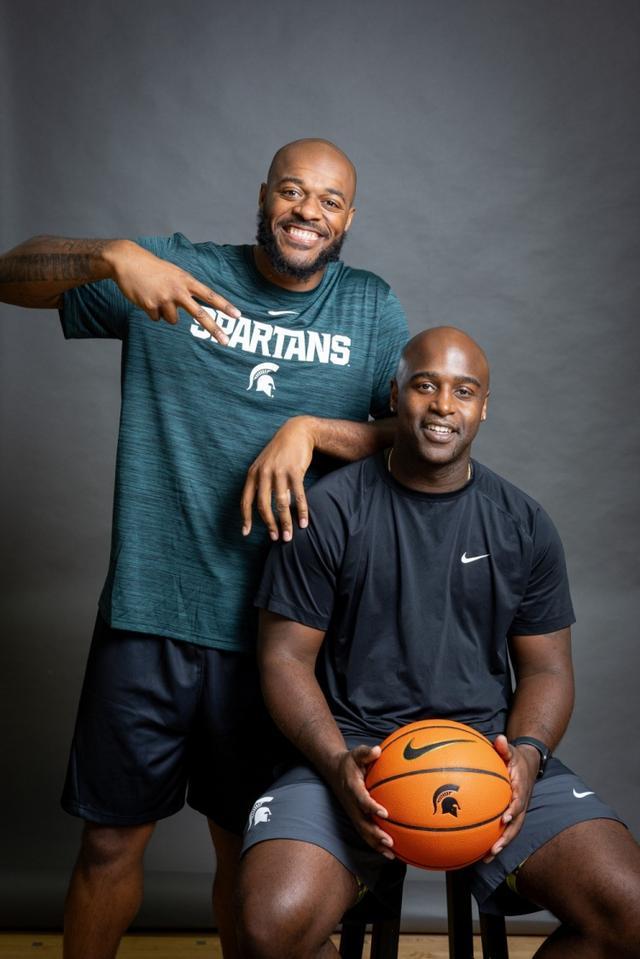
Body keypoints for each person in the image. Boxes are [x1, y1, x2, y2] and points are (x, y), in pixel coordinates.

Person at [0, 138, 408, 959]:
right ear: (264, 196)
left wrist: (310, 429)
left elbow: (416, 434)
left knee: (247, 853)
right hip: (148, 615)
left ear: (349, 218)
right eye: (292, 191)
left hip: (277, 637)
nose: (308, 211)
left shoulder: (369, 308)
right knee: (108, 845)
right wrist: (113, 256)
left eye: (329, 200)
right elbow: (10, 274)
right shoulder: (174, 269)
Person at [239, 327, 640, 959]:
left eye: (464, 391)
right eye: (425, 385)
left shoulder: (523, 523)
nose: (443, 406)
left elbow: (547, 671)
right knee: (271, 928)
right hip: (352, 754)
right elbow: (283, 659)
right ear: (395, 395)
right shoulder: (329, 511)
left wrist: (527, 756)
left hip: (487, 757)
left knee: (630, 910)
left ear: (484, 407)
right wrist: (337, 763)